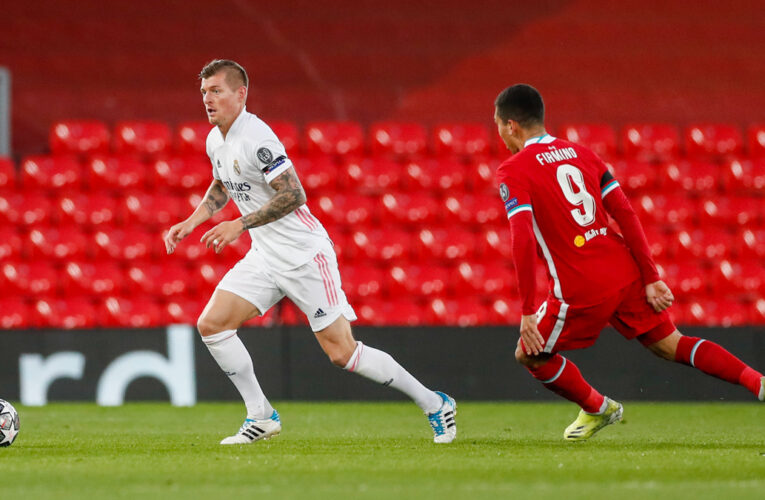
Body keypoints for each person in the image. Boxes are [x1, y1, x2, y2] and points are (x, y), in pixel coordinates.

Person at [163, 59, 456, 445]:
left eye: (216, 91)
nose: (207, 99)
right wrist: (191, 220)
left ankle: (435, 403)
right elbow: (222, 185)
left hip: (304, 256)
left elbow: (294, 194)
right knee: (212, 325)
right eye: (203, 92)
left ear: (241, 94)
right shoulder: (215, 139)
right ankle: (261, 416)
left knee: (342, 353)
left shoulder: (258, 138)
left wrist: (240, 224)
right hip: (265, 256)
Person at [493, 84, 764, 441]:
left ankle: (598, 408)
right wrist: (651, 276)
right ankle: (757, 381)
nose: (500, 134)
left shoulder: (513, 170)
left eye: (498, 125)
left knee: (530, 354)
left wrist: (528, 309)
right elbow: (624, 211)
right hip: (623, 269)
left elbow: (523, 239)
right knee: (671, 344)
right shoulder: (582, 153)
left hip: (580, 286)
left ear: (511, 126)